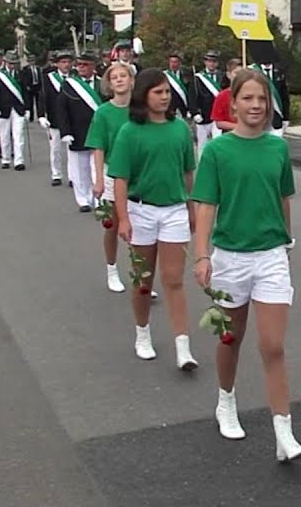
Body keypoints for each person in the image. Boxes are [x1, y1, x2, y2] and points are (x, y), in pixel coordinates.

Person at [192, 68, 301, 461]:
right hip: (230, 257)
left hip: (271, 255)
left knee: (273, 345)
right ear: (234, 103)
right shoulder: (217, 151)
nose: (256, 105)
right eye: (248, 98)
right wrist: (202, 254)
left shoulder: (278, 148)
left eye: (262, 99)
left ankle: (284, 433)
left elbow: (284, 198)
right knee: (230, 338)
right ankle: (226, 401)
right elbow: (206, 205)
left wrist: (287, 242)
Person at [110, 68, 199, 370]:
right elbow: (120, 179)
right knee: (143, 281)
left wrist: (191, 207)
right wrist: (123, 219)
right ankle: (142, 333)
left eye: (167, 92)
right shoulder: (130, 132)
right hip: (141, 210)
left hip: (174, 210)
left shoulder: (179, 129)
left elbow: (188, 173)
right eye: (158, 92)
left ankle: (182, 346)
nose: (164, 97)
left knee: (174, 280)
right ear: (144, 95)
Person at [87, 62, 135, 294]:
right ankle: (112, 269)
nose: (119, 80)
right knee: (113, 224)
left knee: (139, 226)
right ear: (109, 83)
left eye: (123, 75)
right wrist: (98, 179)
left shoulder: (140, 110)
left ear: (131, 80)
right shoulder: (103, 112)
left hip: (136, 173)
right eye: (114, 77)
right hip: (110, 172)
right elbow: (98, 147)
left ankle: (140, 276)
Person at [55, 53, 103, 212]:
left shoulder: (102, 84)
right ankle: (83, 199)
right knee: (80, 168)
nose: (81, 67)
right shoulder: (69, 85)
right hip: (77, 131)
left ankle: (99, 199)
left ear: (93, 66)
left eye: (85, 64)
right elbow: (62, 109)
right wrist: (65, 131)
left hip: (97, 131)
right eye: (79, 64)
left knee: (98, 167)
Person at [38, 51, 74, 187]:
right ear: (57, 64)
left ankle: (72, 176)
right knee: (56, 148)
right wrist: (41, 115)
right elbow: (42, 97)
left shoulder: (75, 77)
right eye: (63, 62)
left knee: (72, 149)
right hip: (54, 117)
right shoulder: (48, 78)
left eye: (68, 62)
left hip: (72, 119)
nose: (66, 65)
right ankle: (56, 174)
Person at [0, 51, 29, 171]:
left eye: (14, 63)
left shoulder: (20, 75)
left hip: (18, 109)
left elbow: (26, 93)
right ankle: (6, 159)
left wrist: (27, 108)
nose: (12, 65)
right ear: (5, 62)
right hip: (3, 109)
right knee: (4, 135)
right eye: (10, 63)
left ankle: (19, 161)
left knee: (19, 136)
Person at [191, 49, 228, 154]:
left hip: (219, 116)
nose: (212, 64)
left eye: (214, 61)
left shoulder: (223, 77)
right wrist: (195, 112)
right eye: (209, 61)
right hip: (204, 115)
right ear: (205, 62)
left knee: (218, 143)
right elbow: (192, 97)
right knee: (202, 145)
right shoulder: (197, 78)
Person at [209, 59, 244, 135]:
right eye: (236, 73)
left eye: (242, 73)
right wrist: (241, 127)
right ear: (228, 74)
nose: (239, 76)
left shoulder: (251, 94)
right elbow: (219, 123)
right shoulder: (222, 96)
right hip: (230, 136)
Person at [165, 52, 193, 122]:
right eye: (171, 62)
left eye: (175, 62)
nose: (173, 64)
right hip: (169, 110)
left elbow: (190, 93)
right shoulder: (164, 76)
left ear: (179, 63)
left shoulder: (186, 76)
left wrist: (191, 109)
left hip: (184, 110)